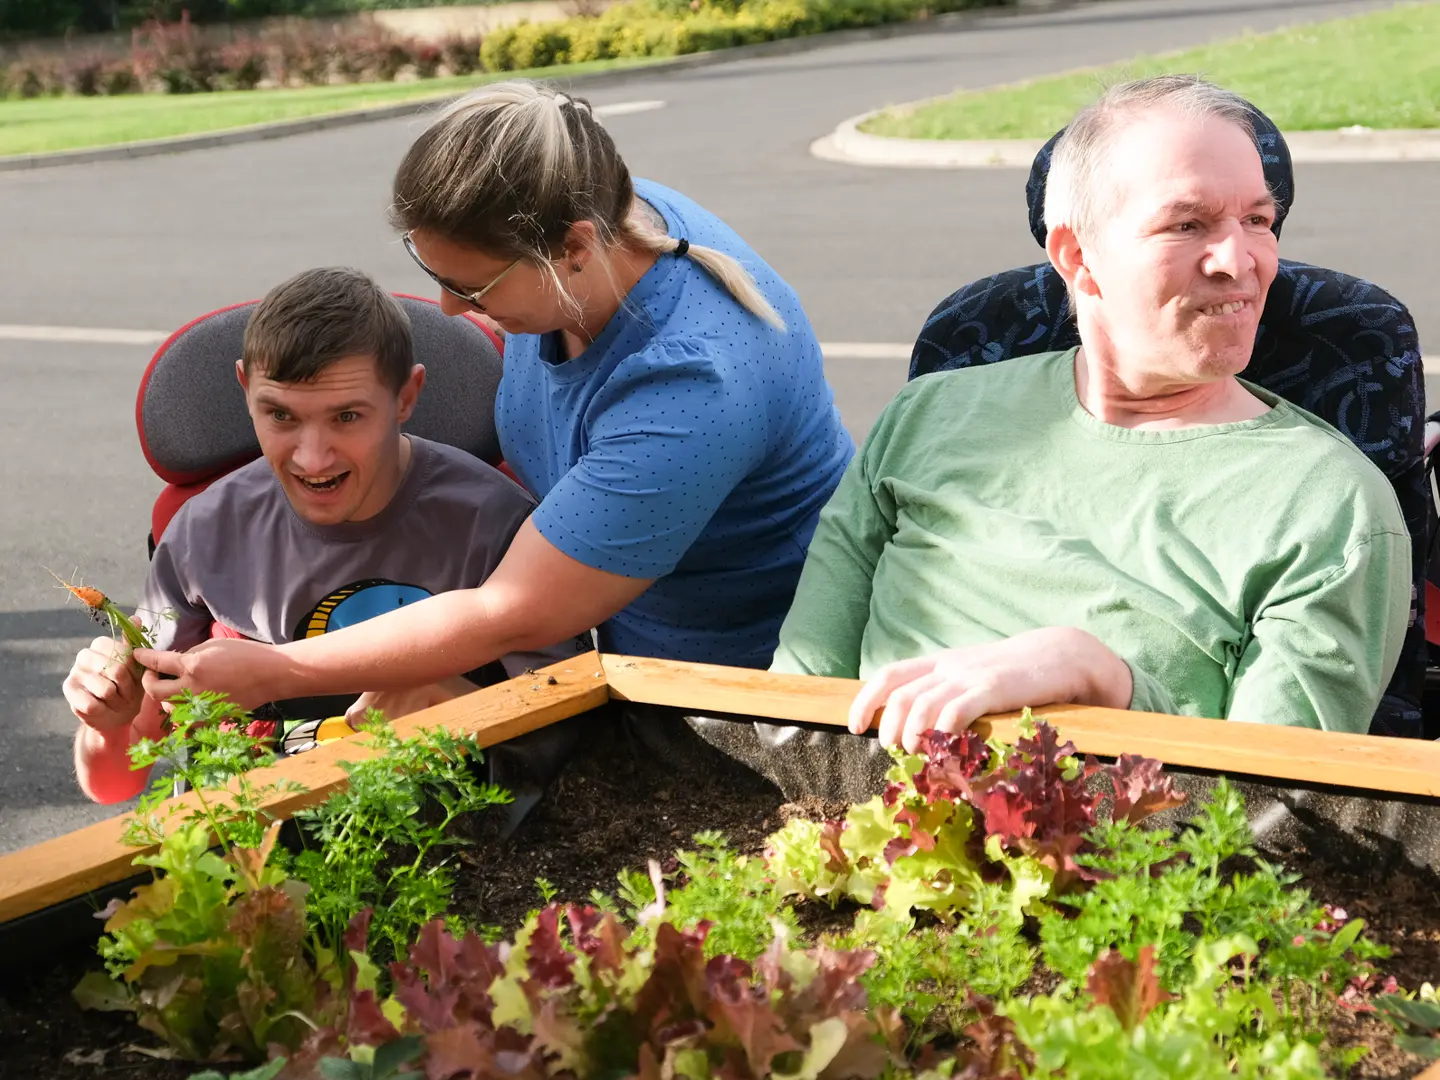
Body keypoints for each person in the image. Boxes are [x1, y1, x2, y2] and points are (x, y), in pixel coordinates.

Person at [131, 81, 854, 718]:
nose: (447, 310)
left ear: (574, 247)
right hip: (632, 640)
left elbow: (510, 612)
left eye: (473, 287)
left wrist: (280, 670)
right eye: (431, 270)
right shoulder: (599, 204)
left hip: (741, 687)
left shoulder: (688, 386)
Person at [772, 75, 1410, 752]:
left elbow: (1269, 820)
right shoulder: (927, 416)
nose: (1241, 260)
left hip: (1126, 856)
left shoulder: (1331, 506)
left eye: (1257, 219)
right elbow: (793, 713)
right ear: (1077, 256)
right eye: (1187, 224)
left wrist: (1101, 676)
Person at [65, 267, 587, 803]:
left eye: (346, 416)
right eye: (281, 415)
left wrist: (458, 702)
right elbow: (112, 784)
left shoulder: (497, 525)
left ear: (406, 397)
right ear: (245, 390)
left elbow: (569, 731)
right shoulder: (203, 533)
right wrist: (106, 723)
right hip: (251, 841)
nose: (313, 458)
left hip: (442, 838)